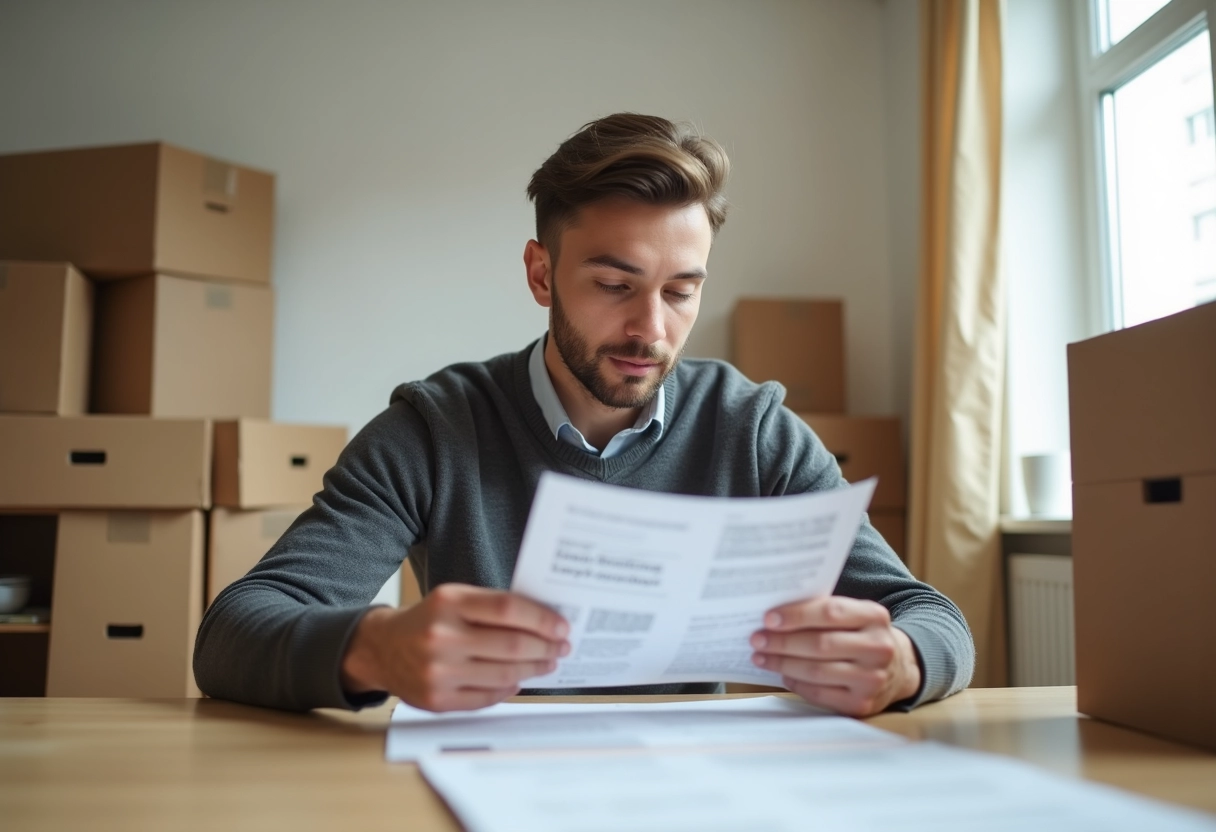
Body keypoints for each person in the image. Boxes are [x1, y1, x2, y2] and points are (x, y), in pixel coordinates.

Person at [194, 113, 974, 716]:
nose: (651, 330)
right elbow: (233, 632)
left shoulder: (752, 428)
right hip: (483, 788)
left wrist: (903, 659)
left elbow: (932, 618)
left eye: (681, 290)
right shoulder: (435, 430)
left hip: (690, 797)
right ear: (542, 273)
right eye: (614, 285)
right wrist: (371, 648)